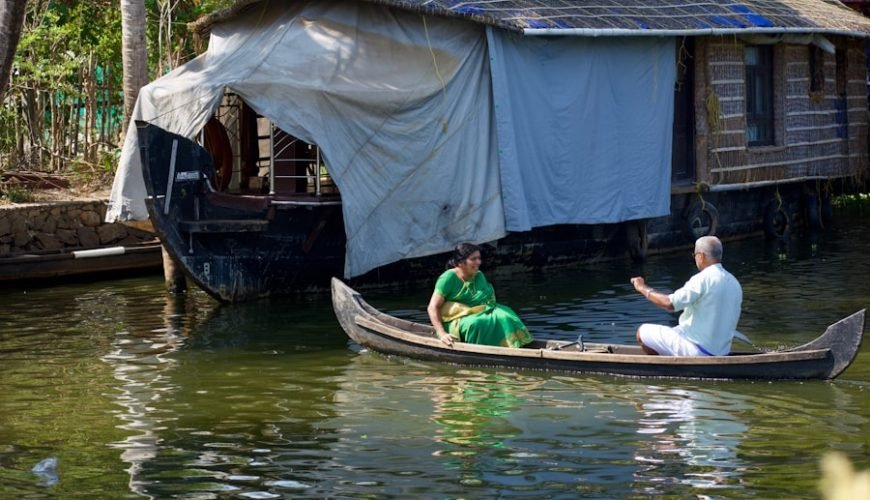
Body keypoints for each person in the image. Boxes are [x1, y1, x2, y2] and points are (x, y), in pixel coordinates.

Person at [630, 235, 742, 356]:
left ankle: (661, 367)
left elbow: (669, 303)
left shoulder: (702, 279)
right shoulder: (734, 283)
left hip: (698, 351)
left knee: (642, 332)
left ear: (701, 256)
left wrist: (642, 288)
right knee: (674, 331)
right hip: (721, 353)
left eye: (695, 255)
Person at [427, 243, 533, 348]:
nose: (478, 262)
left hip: (480, 312)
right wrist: (442, 333)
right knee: (476, 323)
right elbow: (432, 307)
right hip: (455, 320)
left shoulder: (478, 275)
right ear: (460, 262)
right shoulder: (448, 278)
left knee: (506, 315)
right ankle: (479, 350)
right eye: (473, 259)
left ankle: (513, 346)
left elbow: (486, 301)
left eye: (479, 258)